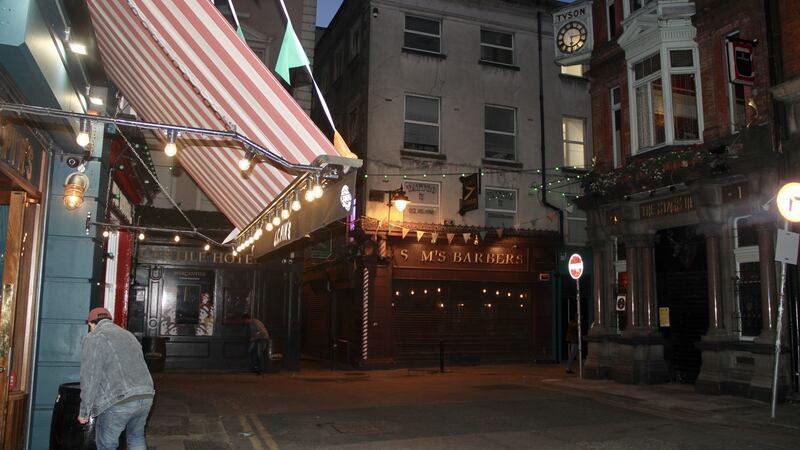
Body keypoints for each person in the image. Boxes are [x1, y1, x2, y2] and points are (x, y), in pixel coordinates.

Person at [79, 307, 155, 450]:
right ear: (109, 320)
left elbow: (90, 377)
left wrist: (84, 412)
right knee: (136, 437)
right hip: (146, 395)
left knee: (107, 445)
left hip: (119, 399)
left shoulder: (94, 338)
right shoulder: (128, 335)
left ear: (91, 324)